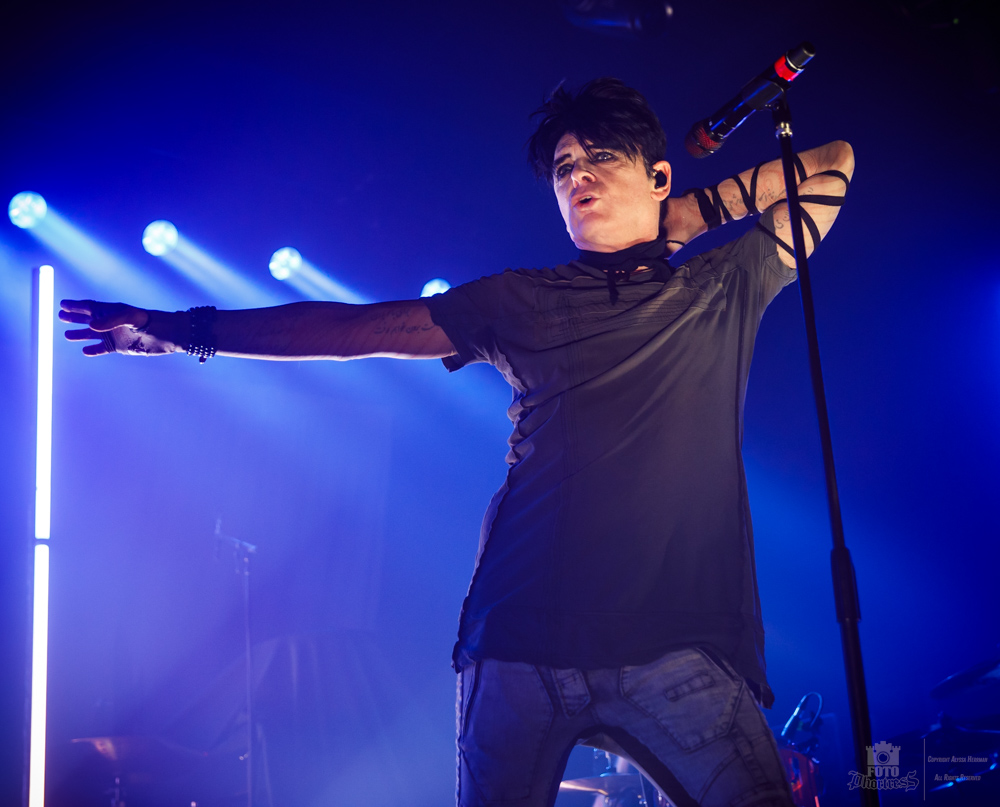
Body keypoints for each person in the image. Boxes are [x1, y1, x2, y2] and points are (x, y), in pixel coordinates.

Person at [61, 78, 854, 807]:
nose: (576, 174)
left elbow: (832, 165)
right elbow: (353, 331)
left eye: (600, 157)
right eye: (564, 166)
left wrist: (681, 220)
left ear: (657, 176)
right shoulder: (523, 298)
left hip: (674, 650)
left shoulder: (721, 286)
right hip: (519, 647)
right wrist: (186, 329)